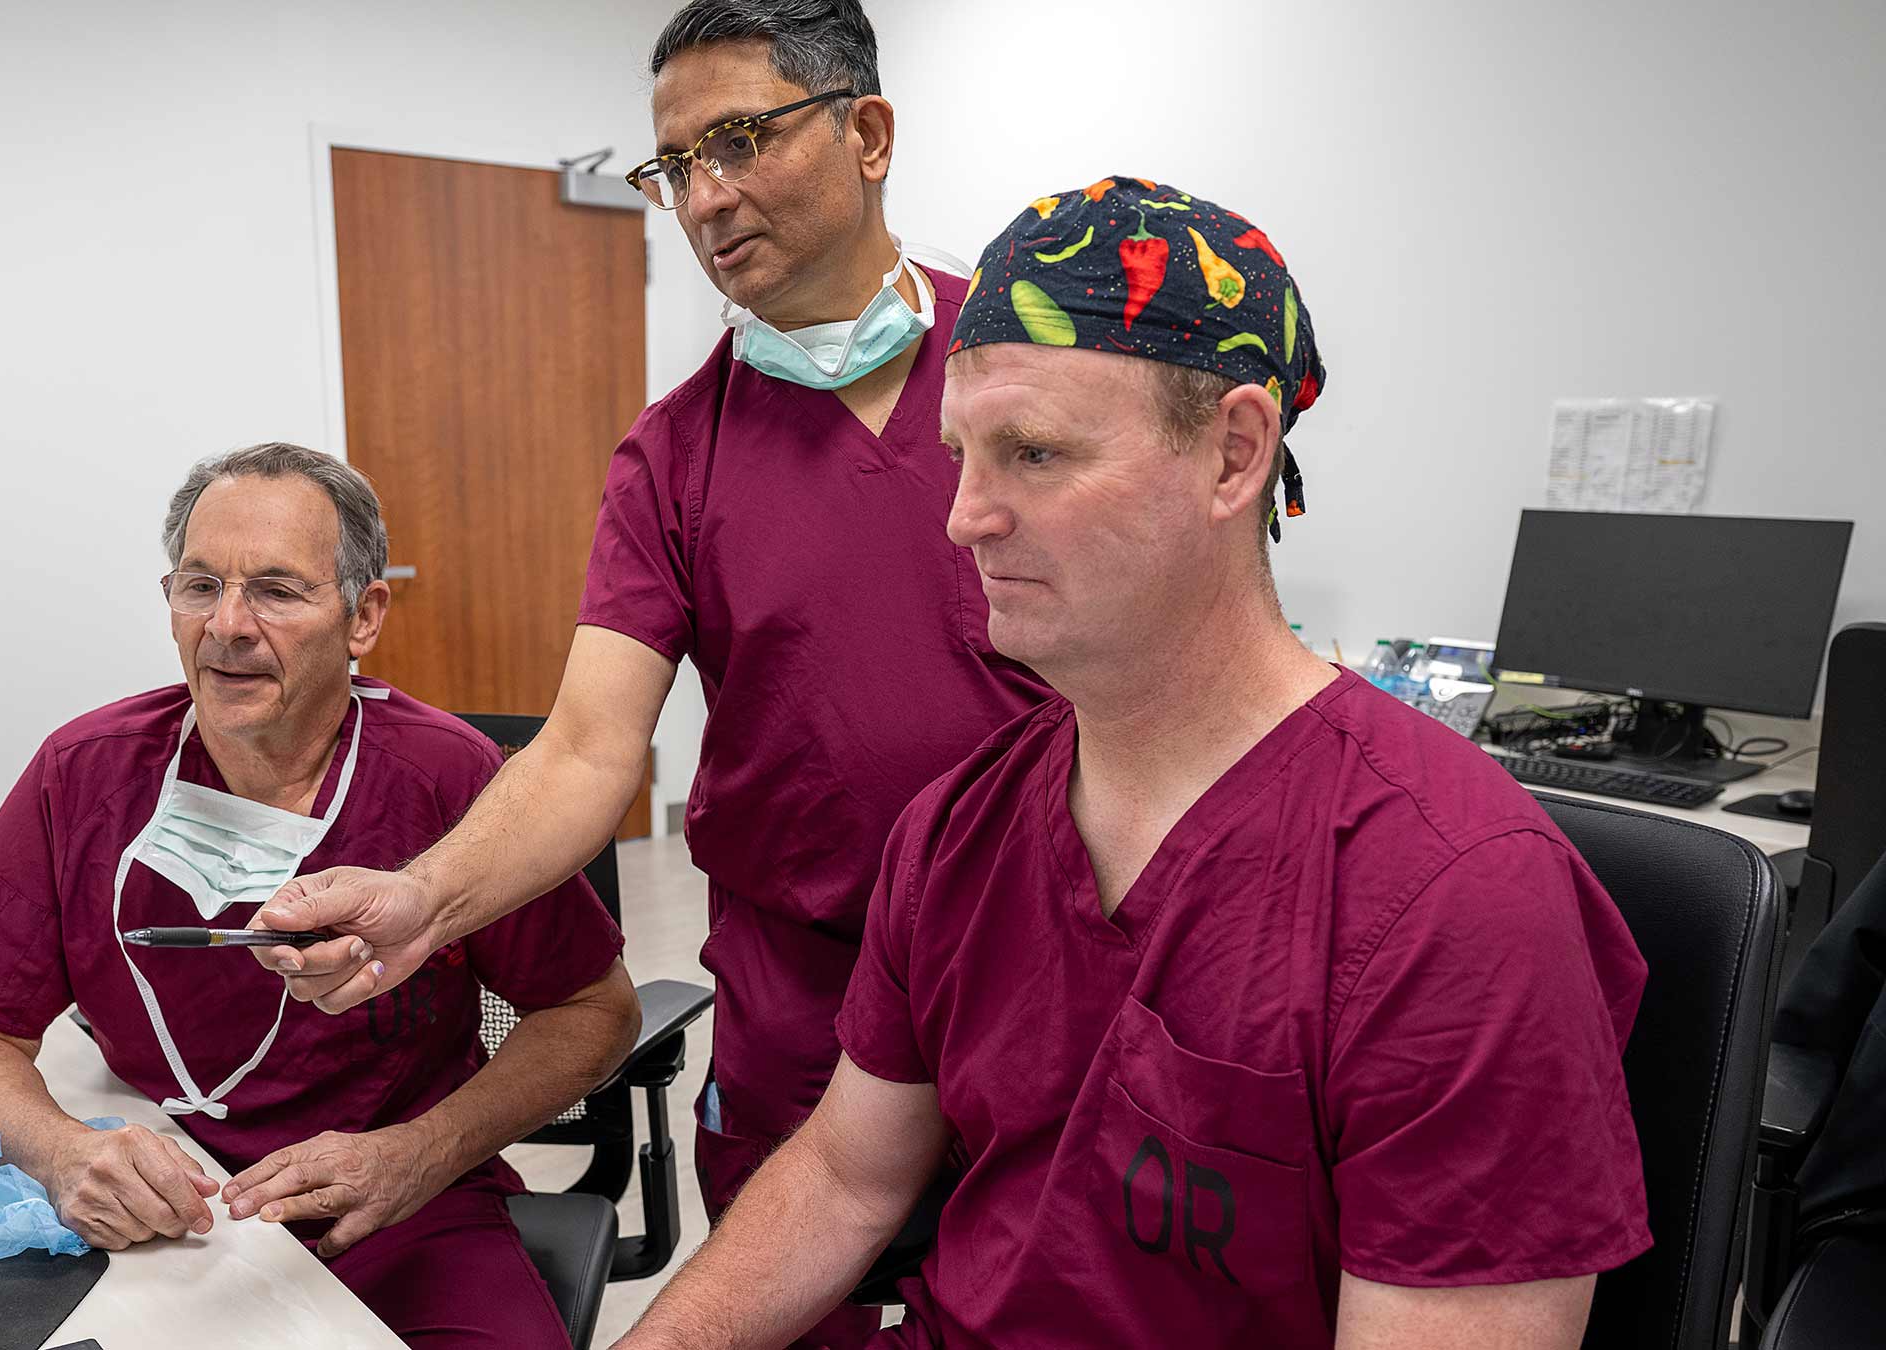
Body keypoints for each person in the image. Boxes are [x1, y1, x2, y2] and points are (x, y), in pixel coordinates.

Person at [612, 180, 1653, 1349]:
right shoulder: (960, 829)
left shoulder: (1452, 899)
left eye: (1035, 454)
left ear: (1234, 454)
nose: (964, 516)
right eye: (963, 453)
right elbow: (847, 1182)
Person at [254, 6, 1051, 1342]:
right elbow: (584, 748)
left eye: (739, 140)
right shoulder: (676, 455)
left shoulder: (1028, 375)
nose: (705, 196)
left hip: (1049, 999)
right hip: (812, 1026)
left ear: (866, 134)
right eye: (675, 164)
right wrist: (421, 900)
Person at [0, 443, 639, 1348]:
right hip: (160, 1207)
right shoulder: (84, 774)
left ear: (363, 617)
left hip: (394, 1203)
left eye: (278, 591)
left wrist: (421, 1154)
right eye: (200, 585)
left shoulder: (449, 780)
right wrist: (63, 1153)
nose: (228, 626)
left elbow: (592, 1010)